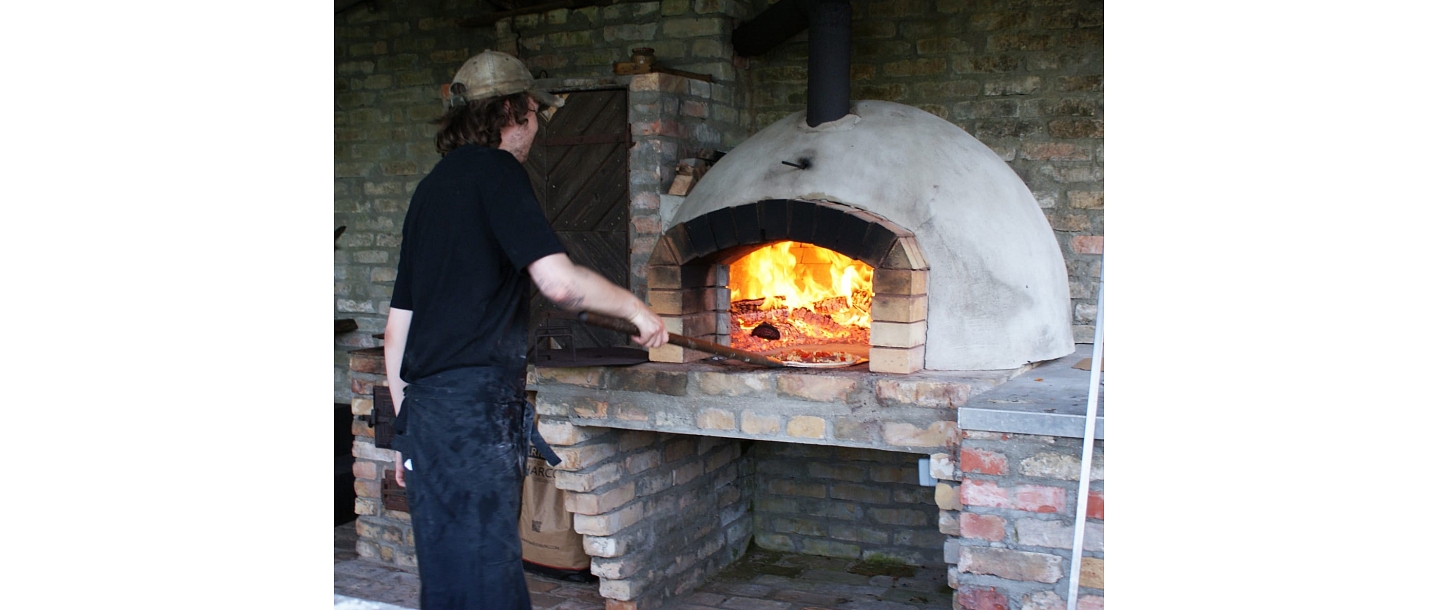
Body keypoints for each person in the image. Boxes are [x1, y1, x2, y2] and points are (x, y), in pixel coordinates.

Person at [381, 50, 668, 609]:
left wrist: (404, 432)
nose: (535, 125)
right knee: (486, 580)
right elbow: (559, 283)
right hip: (472, 416)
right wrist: (637, 310)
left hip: (427, 418)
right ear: (512, 111)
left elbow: (398, 332)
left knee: (446, 581)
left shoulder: (429, 190)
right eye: (534, 111)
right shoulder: (499, 173)